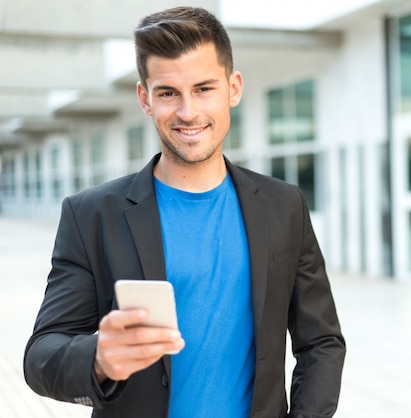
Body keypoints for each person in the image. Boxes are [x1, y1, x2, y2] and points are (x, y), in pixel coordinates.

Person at [23, 7, 346, 418]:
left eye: (204, 88)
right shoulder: (92, 216)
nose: (188, 112)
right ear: (145, 98)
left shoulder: (284, 206)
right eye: (167, 93)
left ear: (234, 88)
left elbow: (321, 342)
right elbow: (41, 356)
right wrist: (99, 358)